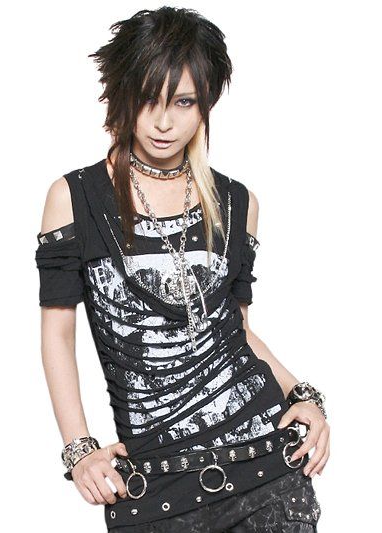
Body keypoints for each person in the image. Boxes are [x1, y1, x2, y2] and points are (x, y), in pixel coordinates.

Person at [34, 6, 329, 532]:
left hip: (267, 468)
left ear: (206, 103)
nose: (164, 122)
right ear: (122, 95)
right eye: (148, 99)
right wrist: (79, 449)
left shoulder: (237, 202)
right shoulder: (75, 199)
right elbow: (58, 333)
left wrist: (304, 397)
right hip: (154, 485)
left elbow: (234, 328)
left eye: (184, 102)